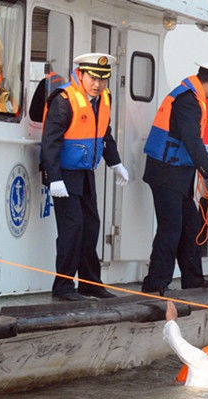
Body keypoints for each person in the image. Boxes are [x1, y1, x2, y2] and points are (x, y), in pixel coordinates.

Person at [140, 62, 208, 296]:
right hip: (166, 171)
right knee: (170, 228)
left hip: (177, 173)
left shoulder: (190, 97)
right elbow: (190, 139)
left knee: (190, 225)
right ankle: (156, 283)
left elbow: (188, 137)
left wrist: (206, 150)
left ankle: (192, 279)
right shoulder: (188, 101)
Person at [41, 53, 129, 301]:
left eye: (103, 79)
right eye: (93, 78)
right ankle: (63, 286)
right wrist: (54, 177)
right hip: (65, 174)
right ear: (80, 74)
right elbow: (50, 142)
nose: (97, 84)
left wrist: (116, 163)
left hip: (85, 173)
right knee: (72, 228)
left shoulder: (102, 100)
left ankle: (90, 283)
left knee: (91, 227)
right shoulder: (64, 100)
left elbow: (104, 134)